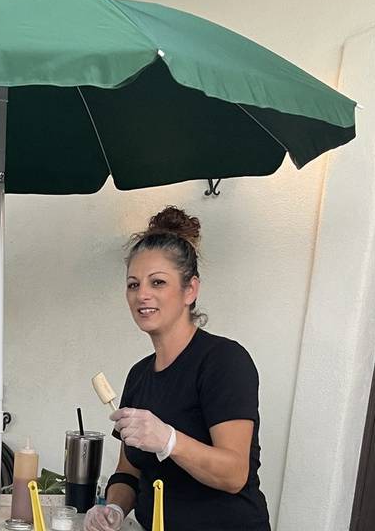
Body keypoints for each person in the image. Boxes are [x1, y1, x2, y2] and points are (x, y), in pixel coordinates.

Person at [83, 207, 270, 531]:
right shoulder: (139, 376)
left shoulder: (224, 361)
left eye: (158, 282)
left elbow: (234, 473)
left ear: (190, 290)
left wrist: (169, 441)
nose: (142, 295)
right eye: (133, 284)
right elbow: (129, 472)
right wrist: (113, 507)